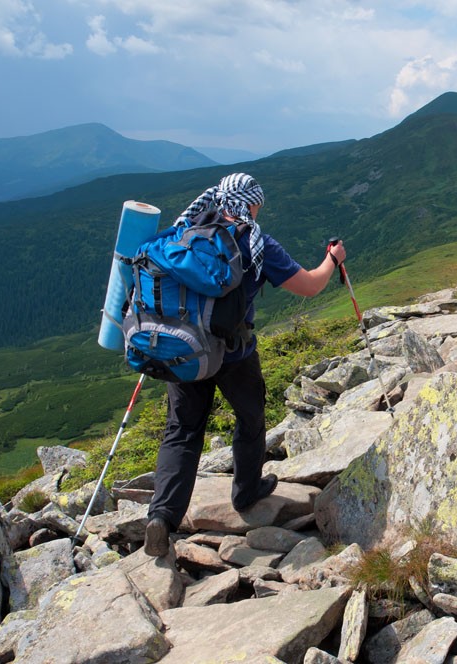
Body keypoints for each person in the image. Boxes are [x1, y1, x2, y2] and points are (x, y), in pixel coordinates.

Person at [144, 172, 346, 557]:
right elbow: (310, 286)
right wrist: (332, 260)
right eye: (258, 203)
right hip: (233, 353)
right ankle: (247, 491)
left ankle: (161, 518)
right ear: (250, 203)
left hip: (182, 351)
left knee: (182, 430)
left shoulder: (184, 230)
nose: (258, 210)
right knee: (250, 417)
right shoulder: (256, 242)